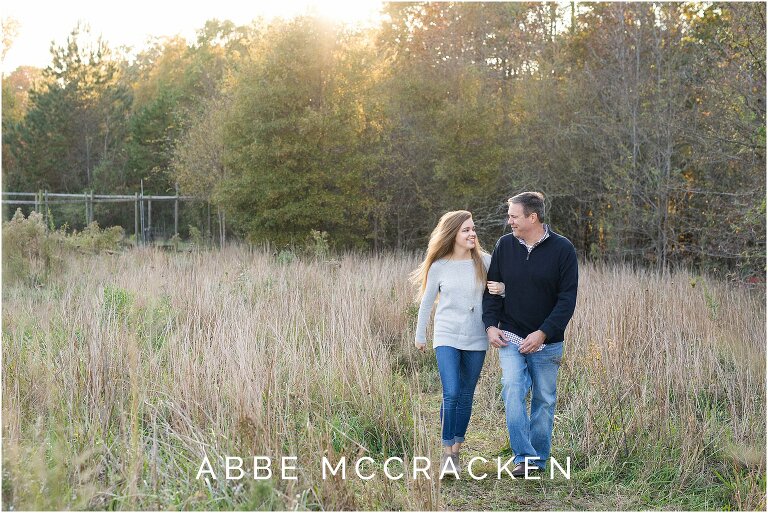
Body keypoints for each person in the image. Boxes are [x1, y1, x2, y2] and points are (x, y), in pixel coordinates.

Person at [482, 192, 578, 477]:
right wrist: (490, 325)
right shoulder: (504, 246)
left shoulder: (563, 249)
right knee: (512, 389)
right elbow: (492, 289)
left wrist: (543, 333)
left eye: (513, 216)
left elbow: (567, 299)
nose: (508, 220)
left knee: (544, 400)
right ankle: (522, 456)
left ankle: (537, 460)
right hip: (510, 336)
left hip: (547, 343)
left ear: (532, 217)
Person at [412, 210, 503, 477]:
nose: (472, 233)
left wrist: (503, 290)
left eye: (473, 229)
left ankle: (457, 450)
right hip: (447, 335)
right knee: (450, 392)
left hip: (476, 337)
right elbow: (427, 303)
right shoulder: (439, 265)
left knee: (465, 395)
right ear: (453, 233)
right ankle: (446, 451)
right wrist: (420, 335)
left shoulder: (486, 262)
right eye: (466, 230)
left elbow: (500, 293)